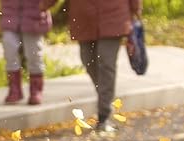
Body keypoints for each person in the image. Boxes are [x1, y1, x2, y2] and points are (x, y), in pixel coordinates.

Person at [41, 0, 141, 132]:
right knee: (87, 60)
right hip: (84, 18)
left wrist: (136, 8)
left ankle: (104, 115)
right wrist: (41, 6)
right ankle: (104, 97)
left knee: (106, 64)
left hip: (114, 16)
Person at [0, 0, 52, 105]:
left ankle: (36, 90)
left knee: (34, 53)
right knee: (9, 47)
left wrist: (46, 4)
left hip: (34, 16)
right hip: (10, 13)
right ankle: (14, 89)